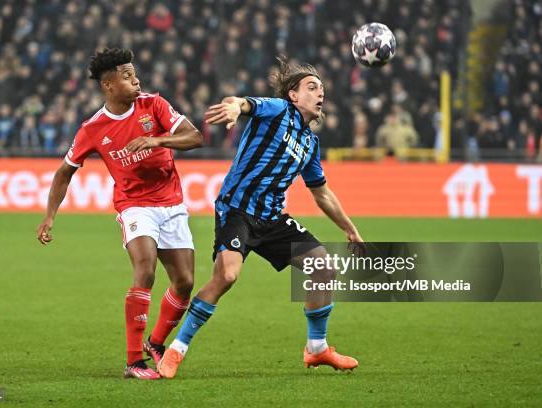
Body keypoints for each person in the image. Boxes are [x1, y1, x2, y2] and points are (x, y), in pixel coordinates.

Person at [158, 56, 363, 379]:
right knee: (227, 276)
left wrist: (350, 230)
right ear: (293, 95)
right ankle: (175, 350)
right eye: (312, 87)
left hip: (272, 219)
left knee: (323, 268)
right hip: (237, 210)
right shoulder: (278, 110)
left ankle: (317, 348)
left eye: (322, 89)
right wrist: (233, 108)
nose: (320, 93)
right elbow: (241, 103)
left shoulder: (310, 143)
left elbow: (321, 192)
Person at [36, 48, 203, 380]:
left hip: (171, 202)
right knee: (145, 270)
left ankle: (156, 342)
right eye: (127, 76)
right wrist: (50, 216)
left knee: (184, 283)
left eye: (135, 73)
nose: (135, 79)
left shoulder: (153, 104)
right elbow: (64, 172)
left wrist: (156, 141)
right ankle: (133, 361)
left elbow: (194, 137)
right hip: (134, 204)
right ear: (108, 85)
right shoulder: (93, 128)